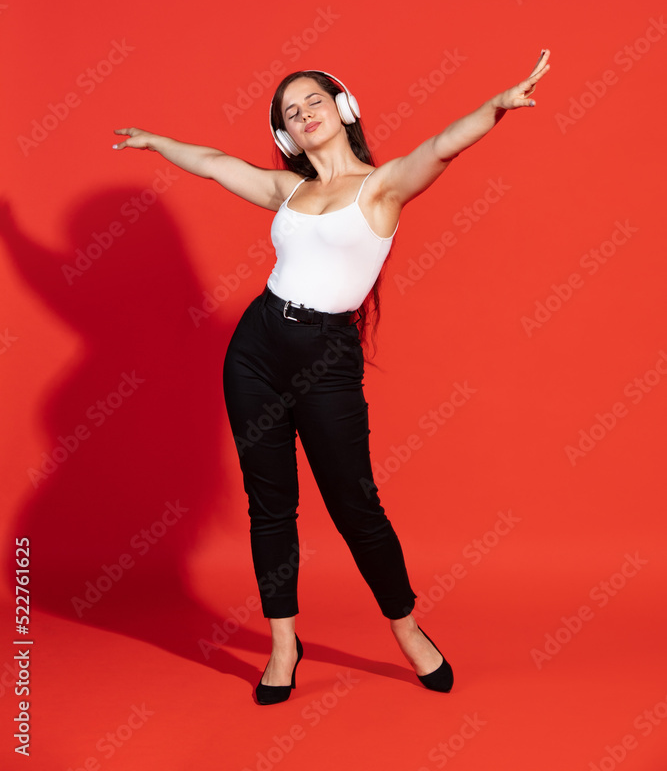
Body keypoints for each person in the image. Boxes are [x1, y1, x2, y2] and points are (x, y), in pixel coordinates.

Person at [112, 49, 551, 704]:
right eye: (291, 111)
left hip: (325, 360)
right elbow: (213, 164)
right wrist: (158, 142)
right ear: (285, 136)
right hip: (255, 350)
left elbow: (439, 148)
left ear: (343, 109)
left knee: (355, 505)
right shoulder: (285, 189)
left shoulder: (383, 186)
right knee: (271, 505)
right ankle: (283, 643)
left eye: (314, 100)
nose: (305, 113)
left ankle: (405, 629)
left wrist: (494, 108)